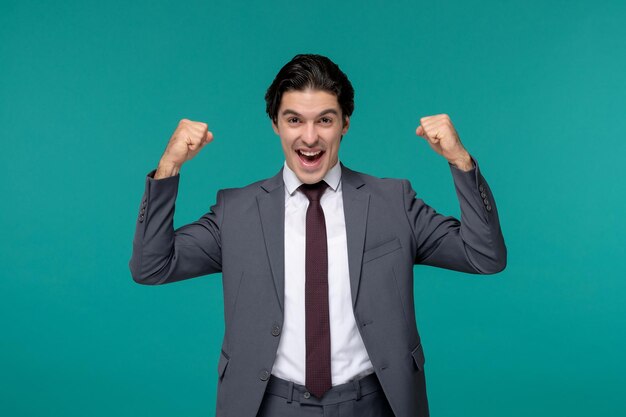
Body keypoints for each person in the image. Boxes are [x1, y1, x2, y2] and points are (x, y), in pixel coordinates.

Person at [129, 54, 506, 417]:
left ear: (345, 123)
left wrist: (460, 161)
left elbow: (484, 256)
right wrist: (169, 167)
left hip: (375, 403)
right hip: (270, 404)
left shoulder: (394, 202)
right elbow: (151, 266)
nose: (309, 138)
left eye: (324, 120)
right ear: (275, 124)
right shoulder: (236, 212)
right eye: (294, 120)